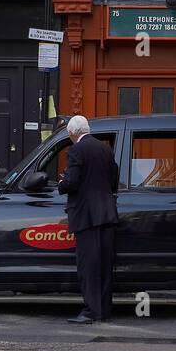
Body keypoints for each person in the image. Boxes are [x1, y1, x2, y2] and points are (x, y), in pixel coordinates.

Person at [58, 116, 119, 325]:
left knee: (88, 266)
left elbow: (72, 183)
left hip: (87, 216)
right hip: (107, 214)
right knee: (103, 265)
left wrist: (62, 183)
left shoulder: (76, 150)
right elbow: (113, 180)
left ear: (72, 133)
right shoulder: (105, 149)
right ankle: (103, 310)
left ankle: (91, 311)